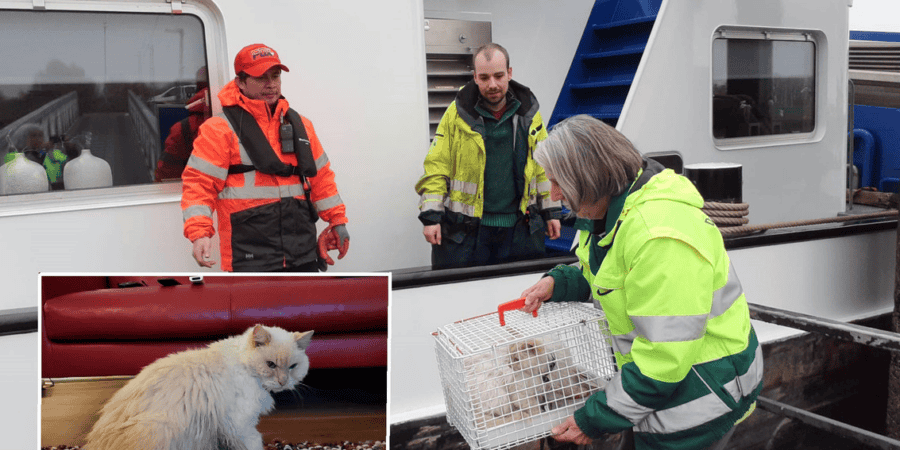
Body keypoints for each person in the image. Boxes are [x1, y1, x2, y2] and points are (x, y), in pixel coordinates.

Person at [519, 115, 763, 449]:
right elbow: (609, 278)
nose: (555, 193)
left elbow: (664, 358)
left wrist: (593, 420)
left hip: (699, 400)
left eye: (559, 181)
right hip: (659, 394)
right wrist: (560, 283)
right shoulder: (609, 216)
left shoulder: (659, 237)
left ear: (589, 179)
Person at [181, 43, 349, 272]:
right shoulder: (219, 129)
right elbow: (199, 185)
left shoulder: (302, 125)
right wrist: (199, 233)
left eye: (275, 76)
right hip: (248, 256)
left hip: (301, 251)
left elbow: (321, 179)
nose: (270, 84)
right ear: (240, 82)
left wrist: (337, 220)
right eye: (260, 78)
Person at [415, 43, 561, 270]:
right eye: (484, 78)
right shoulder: (456, 114)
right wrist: (431, 216)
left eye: (499, 76)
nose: (492, 84)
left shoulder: (530, 114)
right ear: (474, 77)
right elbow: (437, 166)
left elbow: (543, 168)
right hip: (467, 234)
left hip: (519, 231)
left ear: (510, 73)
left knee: (519, 298)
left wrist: (551, 211)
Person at [155, 67, 212, 182]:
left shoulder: (184, 128)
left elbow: (166, 178)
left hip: (198, 195)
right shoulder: (245, 118)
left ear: (197, 86)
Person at [4, 124, 69, 189]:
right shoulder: (14, 156)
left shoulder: (42, 153)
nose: (38, 139)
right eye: (33, 136)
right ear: (22, 138)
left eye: (40, 135)